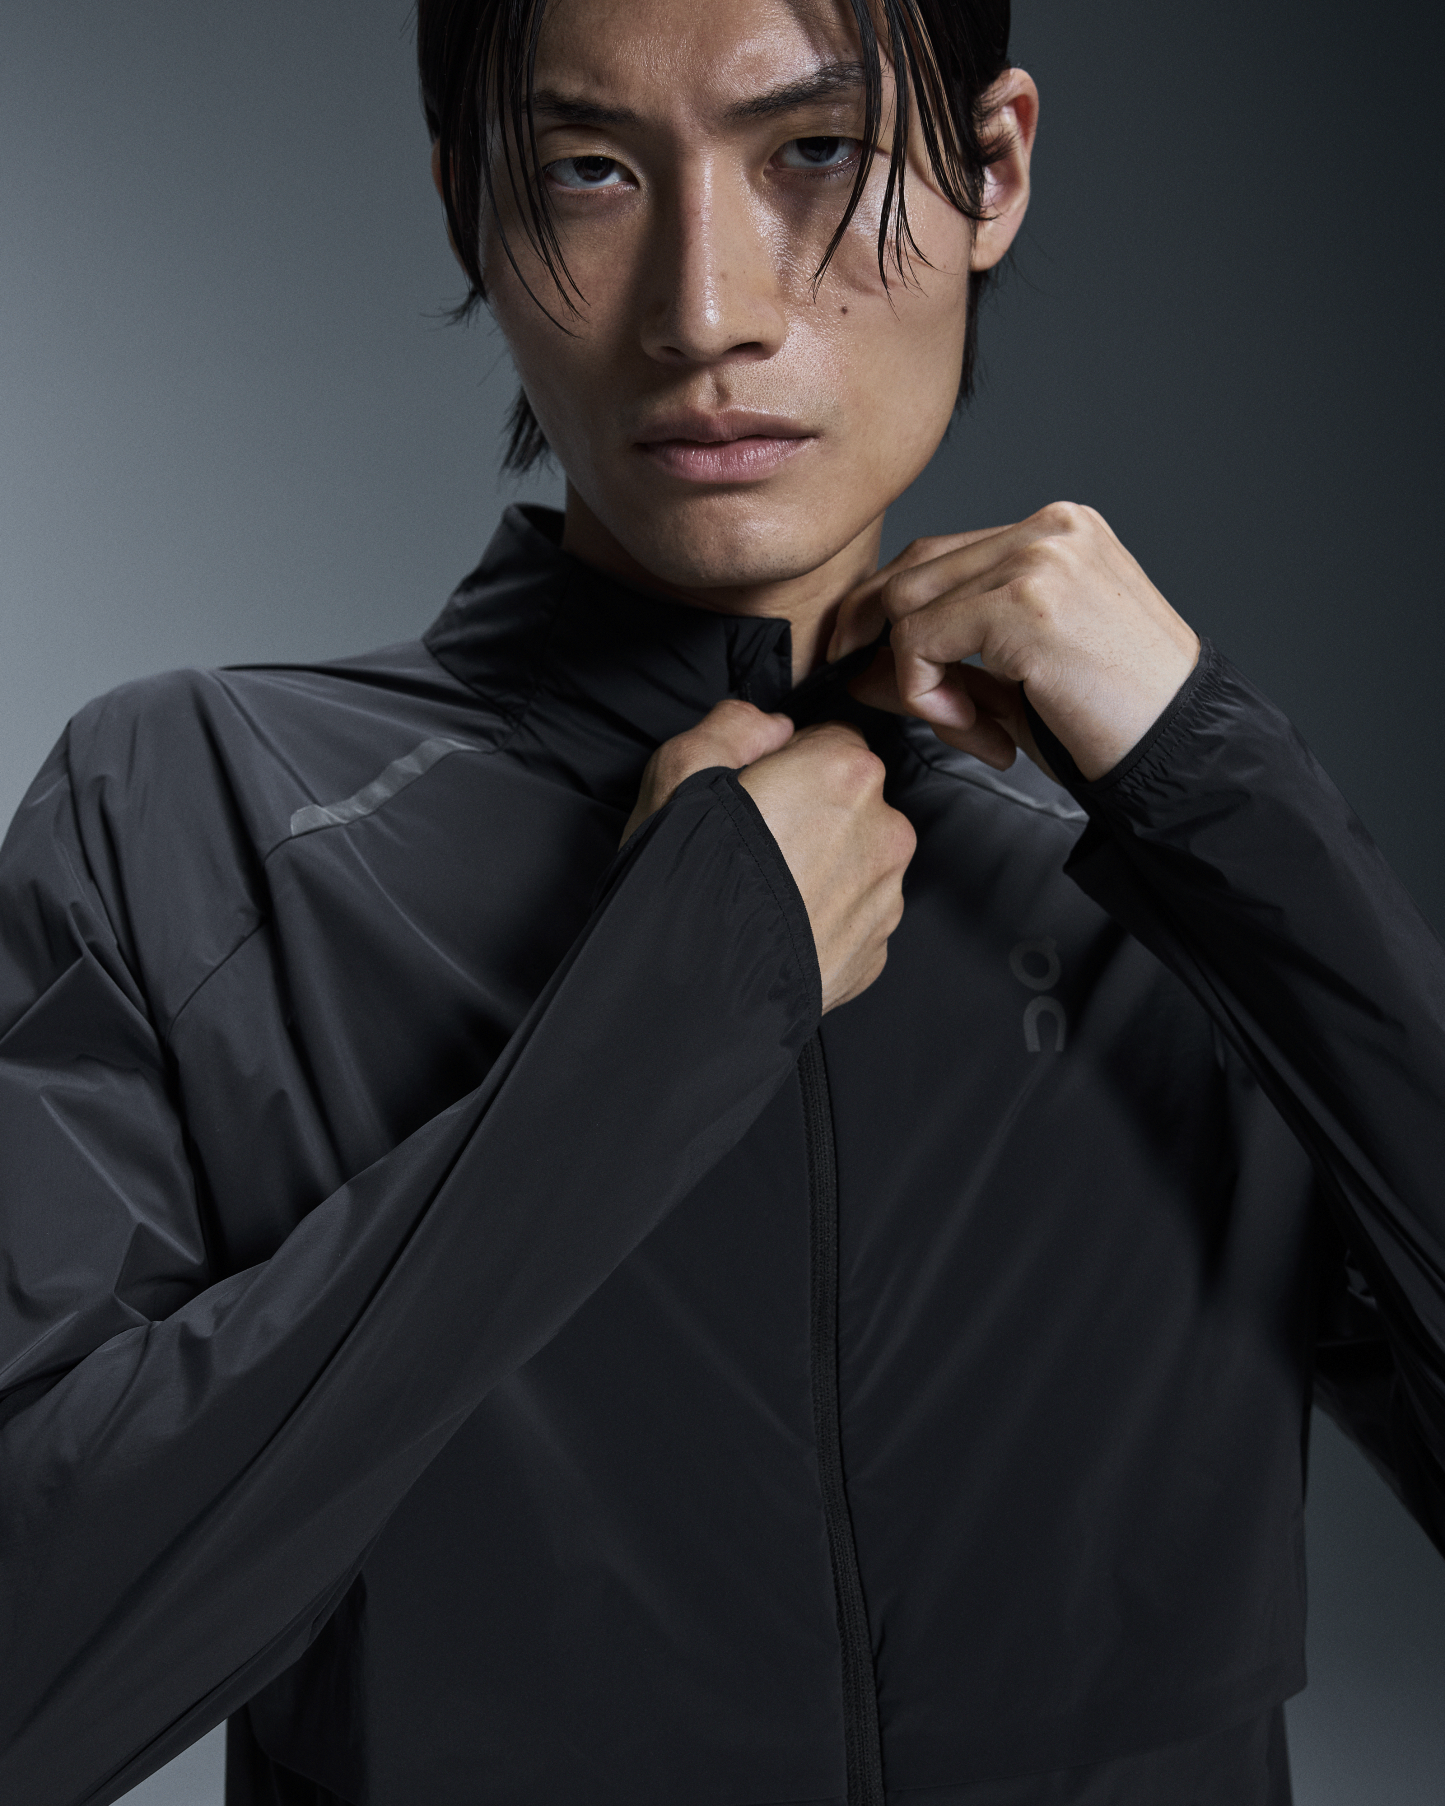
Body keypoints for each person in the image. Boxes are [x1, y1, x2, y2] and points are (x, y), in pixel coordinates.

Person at [1, 0, 1441, 1801]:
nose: (705, 310)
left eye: (814, 154)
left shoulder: (1167, 880)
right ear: (469, 212)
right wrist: (659, 1024)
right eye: (587, 171)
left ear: (993, 170)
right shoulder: (198, 817)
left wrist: (1219, 783)